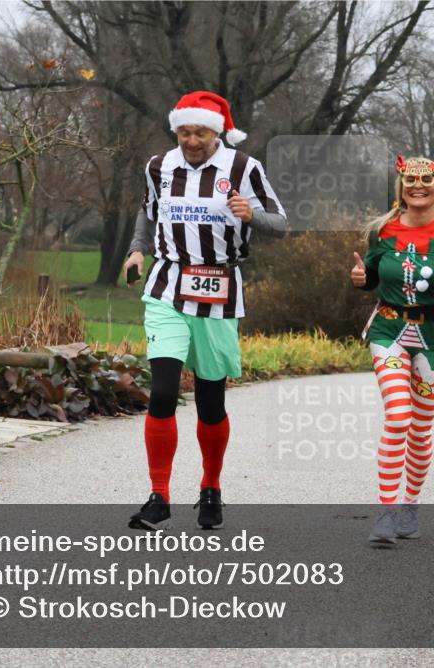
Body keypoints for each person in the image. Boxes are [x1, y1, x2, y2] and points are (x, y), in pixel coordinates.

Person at [122, 91, 286, 530]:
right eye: (184, 132)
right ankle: (159, 495)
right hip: (167, 285)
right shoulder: (159, 167)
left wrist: (250, 214)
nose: (191, 140)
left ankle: (211, 488)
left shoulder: (242, 168)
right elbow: (148, 213)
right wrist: (138, 252)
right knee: (162, 392)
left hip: (219, 288)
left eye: (200, 132)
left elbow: (281, 225)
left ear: (217, 132)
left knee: (211, 401)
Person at [351, 155, 434, 545]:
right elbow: (372, 276)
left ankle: (410, 504)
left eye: (425, 180)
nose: (417, 186)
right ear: (400, 187)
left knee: (419, 431)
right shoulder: (384, 230)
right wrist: (361, 278)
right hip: (389, 330)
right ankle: (386, 514)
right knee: (399, 416)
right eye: (409, 180)